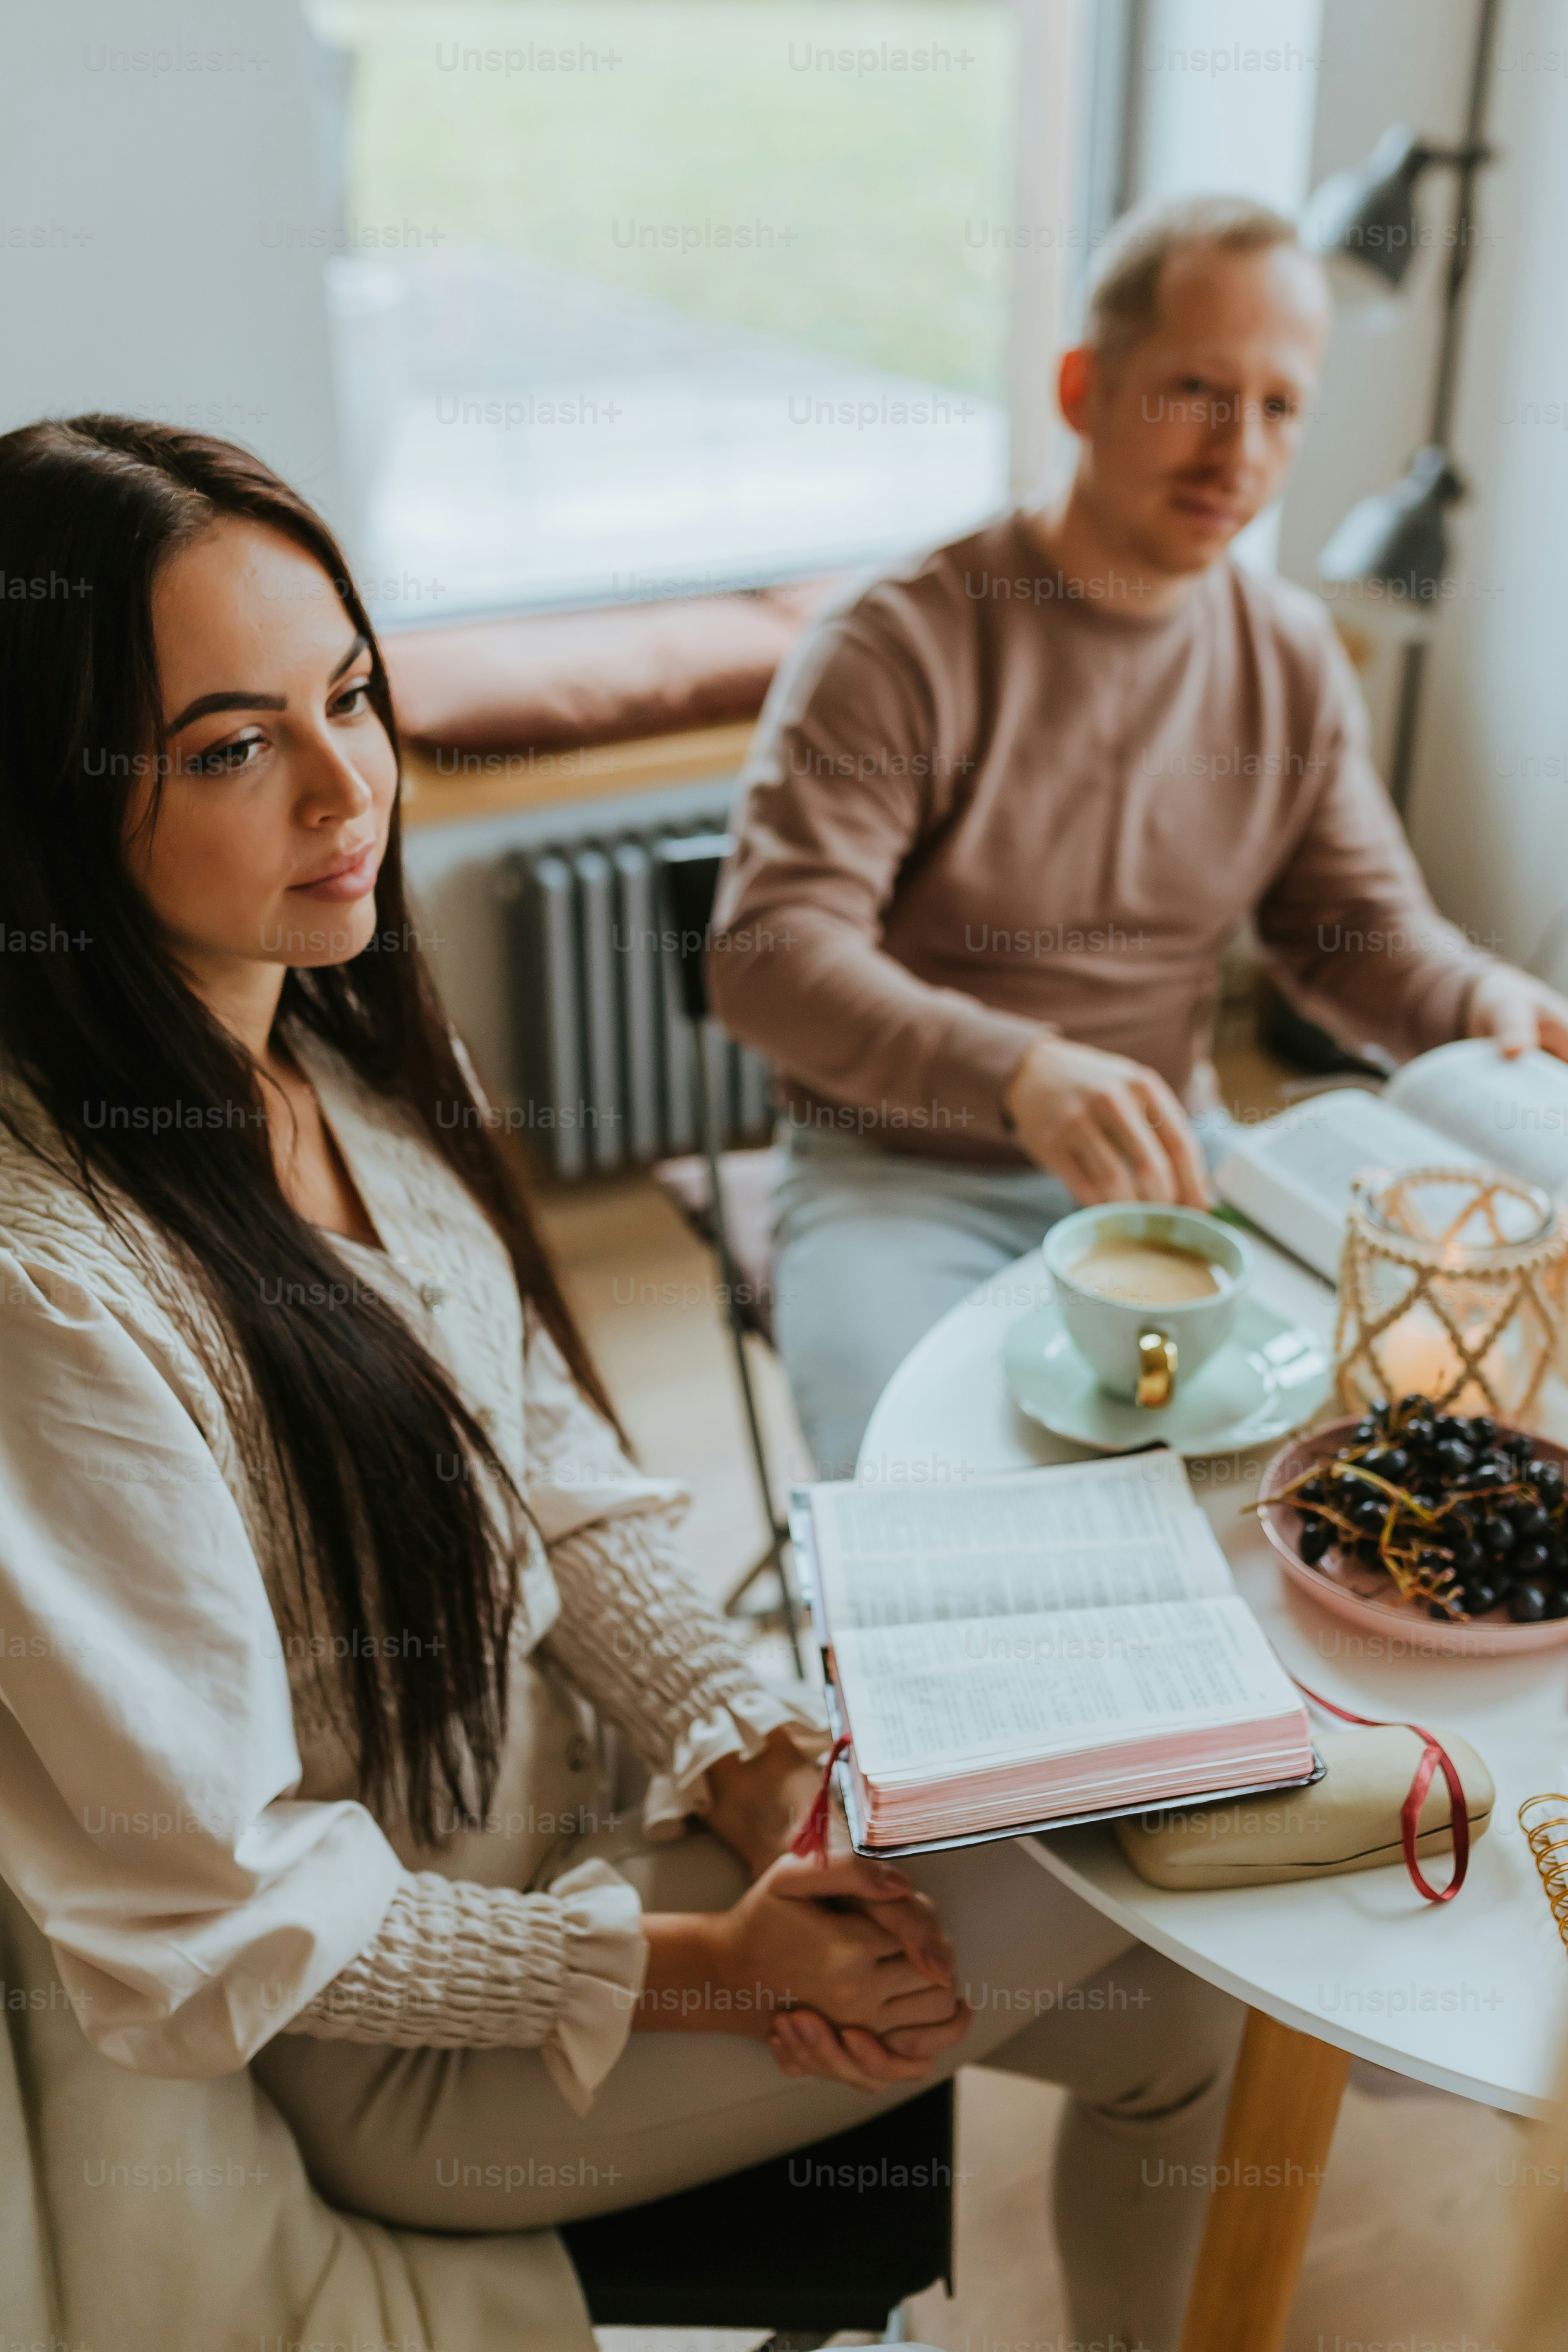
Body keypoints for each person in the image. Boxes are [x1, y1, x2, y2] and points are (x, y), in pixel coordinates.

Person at [0, 415, 1242, 2352]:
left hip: (591, 1853)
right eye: (234, 747)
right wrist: (699, 1970)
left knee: (1191, 2005)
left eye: (350, 696)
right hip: (404, 2030)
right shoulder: (58, 1301)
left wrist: (751, 1754)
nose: (352, 789)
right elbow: (248, 1914)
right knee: (1148, 1883)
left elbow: (553, 1481)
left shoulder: (339, 1067)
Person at [708, 193, 1568, 1480]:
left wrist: (1482, 996)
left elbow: (1353, 932)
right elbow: (770, 953)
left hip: (1174, 1168)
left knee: (1357, 1466)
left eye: (1281, 407)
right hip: (904, 1176)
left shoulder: (1288, 656)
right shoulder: (899, 644)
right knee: (926, 1510)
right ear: (1081, 389)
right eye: (1195, 390)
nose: (1239, 450)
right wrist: (1019, 1070)